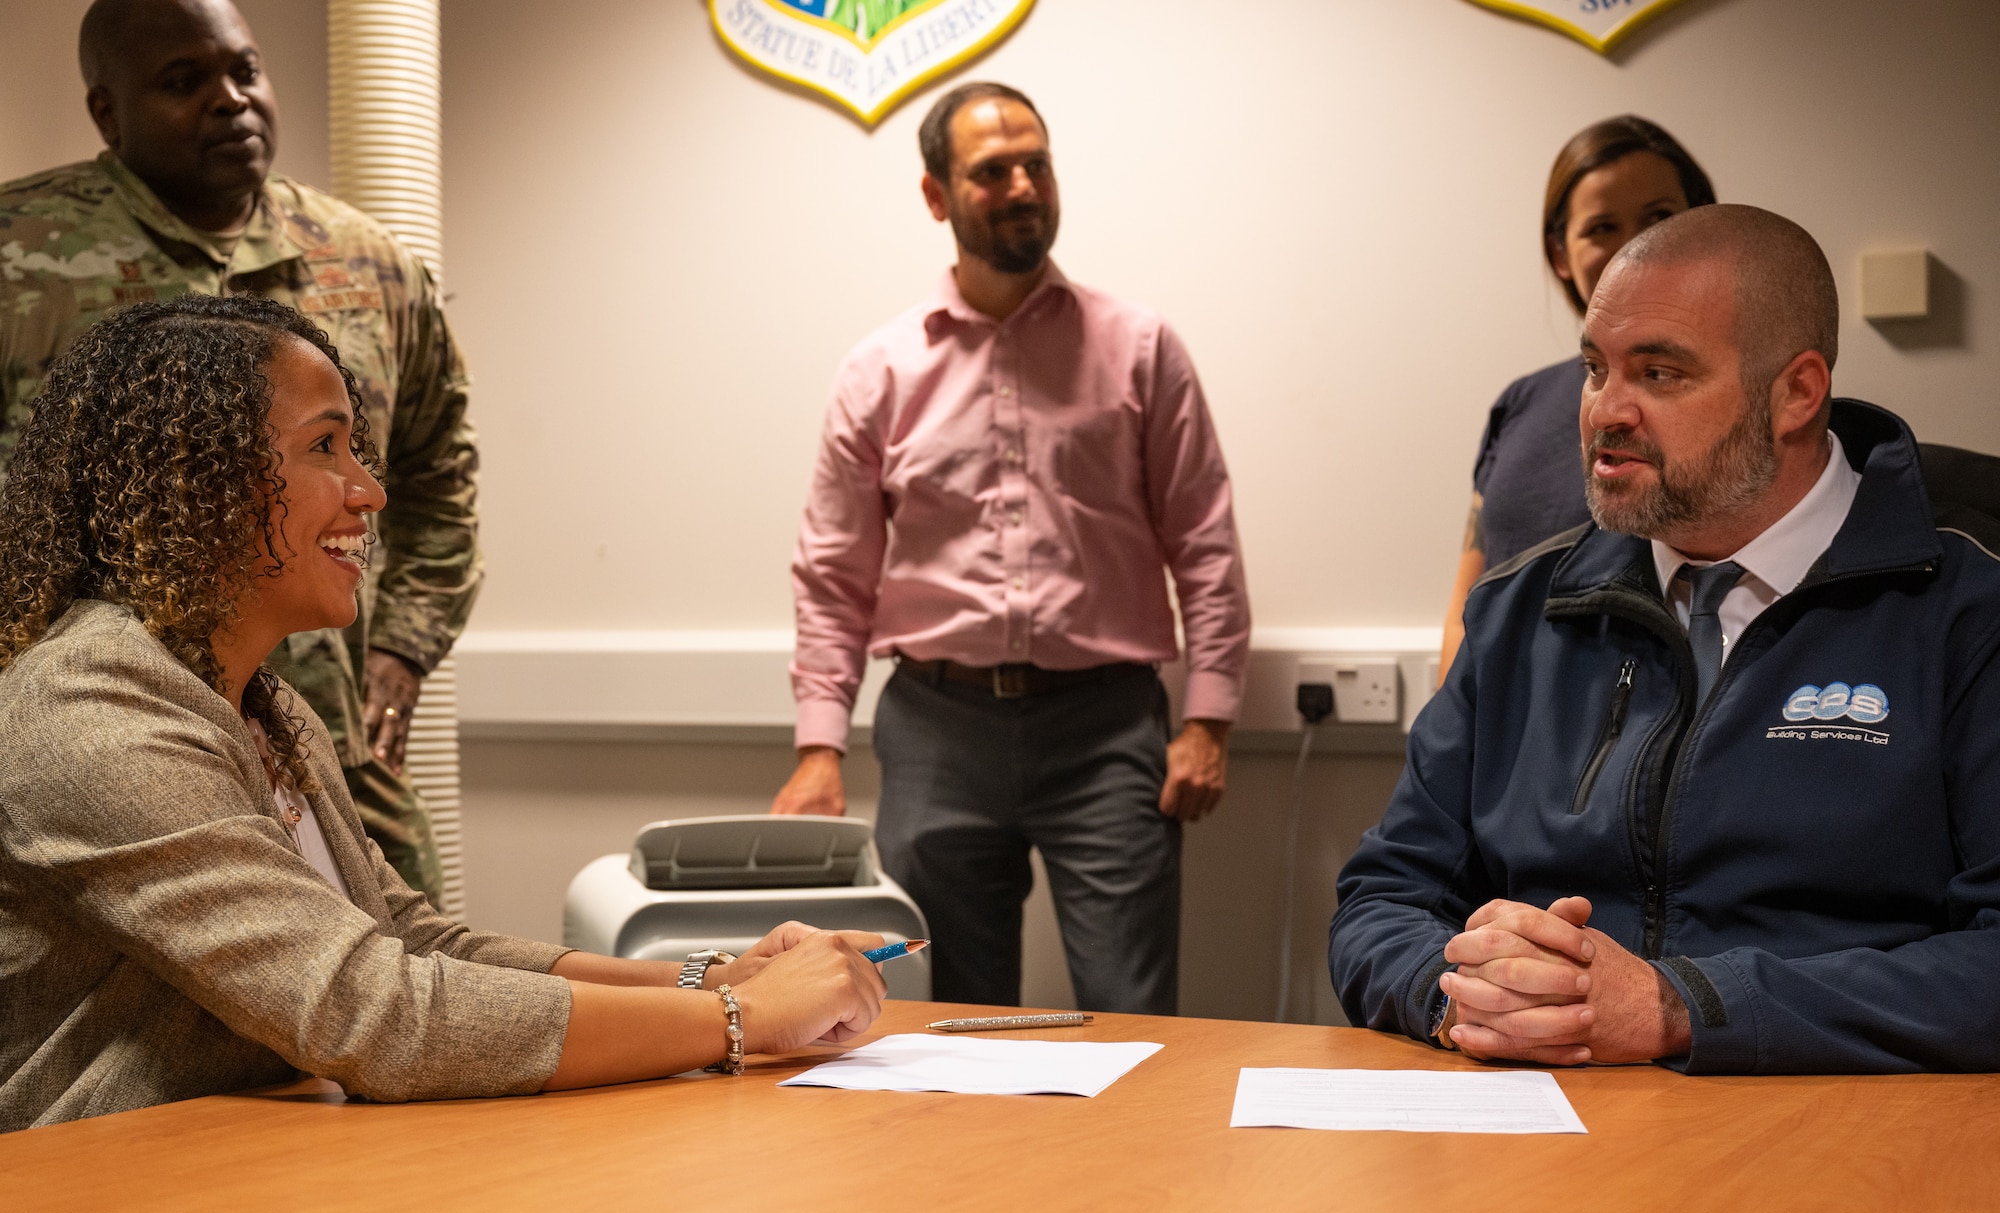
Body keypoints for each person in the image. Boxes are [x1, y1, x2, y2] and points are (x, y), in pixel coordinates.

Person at [0, 296, 887, 1132]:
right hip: (91, 1209)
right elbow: (373, 1011)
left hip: (233, 1173)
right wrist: (743, 1019)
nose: (369, 492)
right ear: (200, 478)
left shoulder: (268, 706)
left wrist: (707, 981)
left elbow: (414, 938)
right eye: (326, 448)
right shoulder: (90, 709)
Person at [1329, 205, 2000, 1075]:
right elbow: (1381, 897)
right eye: (1594, 368)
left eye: (1659, 372)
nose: (1607, 411)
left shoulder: (1963, 613)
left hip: (1834, 1132)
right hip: (1542, 1132)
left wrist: (1686, 1007)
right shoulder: (1521, 609)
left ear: (1797, 392)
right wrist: (1464, 994)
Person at [773, 82, 1251, 1014]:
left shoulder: (1141, 348)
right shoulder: (879, 372)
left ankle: (1135, 1168)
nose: (1025, 184)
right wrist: (818, 743)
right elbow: (833, 572)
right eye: (994, 171)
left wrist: (1209, 720)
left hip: (1109, 731)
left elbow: (1204, 538)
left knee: (1132, 1012)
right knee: (944, 1019)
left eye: (1038, 163)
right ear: (937, 196)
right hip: (937, 729)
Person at [0, 0, 469, 906]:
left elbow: (440, 471)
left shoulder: (370, 263)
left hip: (321, 741)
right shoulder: (20, 256)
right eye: (184, 82)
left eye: (245, 71)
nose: (231, 101)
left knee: (418, 975)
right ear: (108, 110)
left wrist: (401, 652)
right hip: (116, 747)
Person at [1438, 117, 1716, 680]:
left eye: (1660, 217)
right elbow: (1467, 608)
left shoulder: (1737, 397)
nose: (1635, 245)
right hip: (1501, 744)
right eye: (1602, 226)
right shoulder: (1520, 403)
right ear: (1560, 255)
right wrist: (1449, 746)